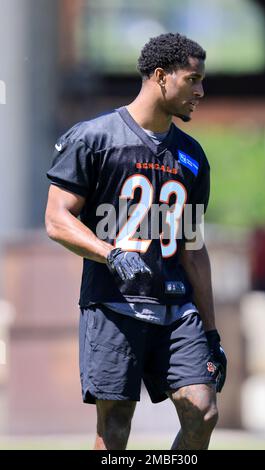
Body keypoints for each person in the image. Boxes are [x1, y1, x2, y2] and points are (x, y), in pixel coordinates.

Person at [45, 32, 227, 450]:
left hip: (175, 307)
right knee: (115, 427)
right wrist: (111, 254)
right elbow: (57, 219)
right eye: (192, 79)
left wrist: (213, 333)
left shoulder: (193, 156)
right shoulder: (94, 138)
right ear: (161, 76)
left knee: (203, 410)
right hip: (114, 303)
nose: (200, 91)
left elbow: (193, 248)